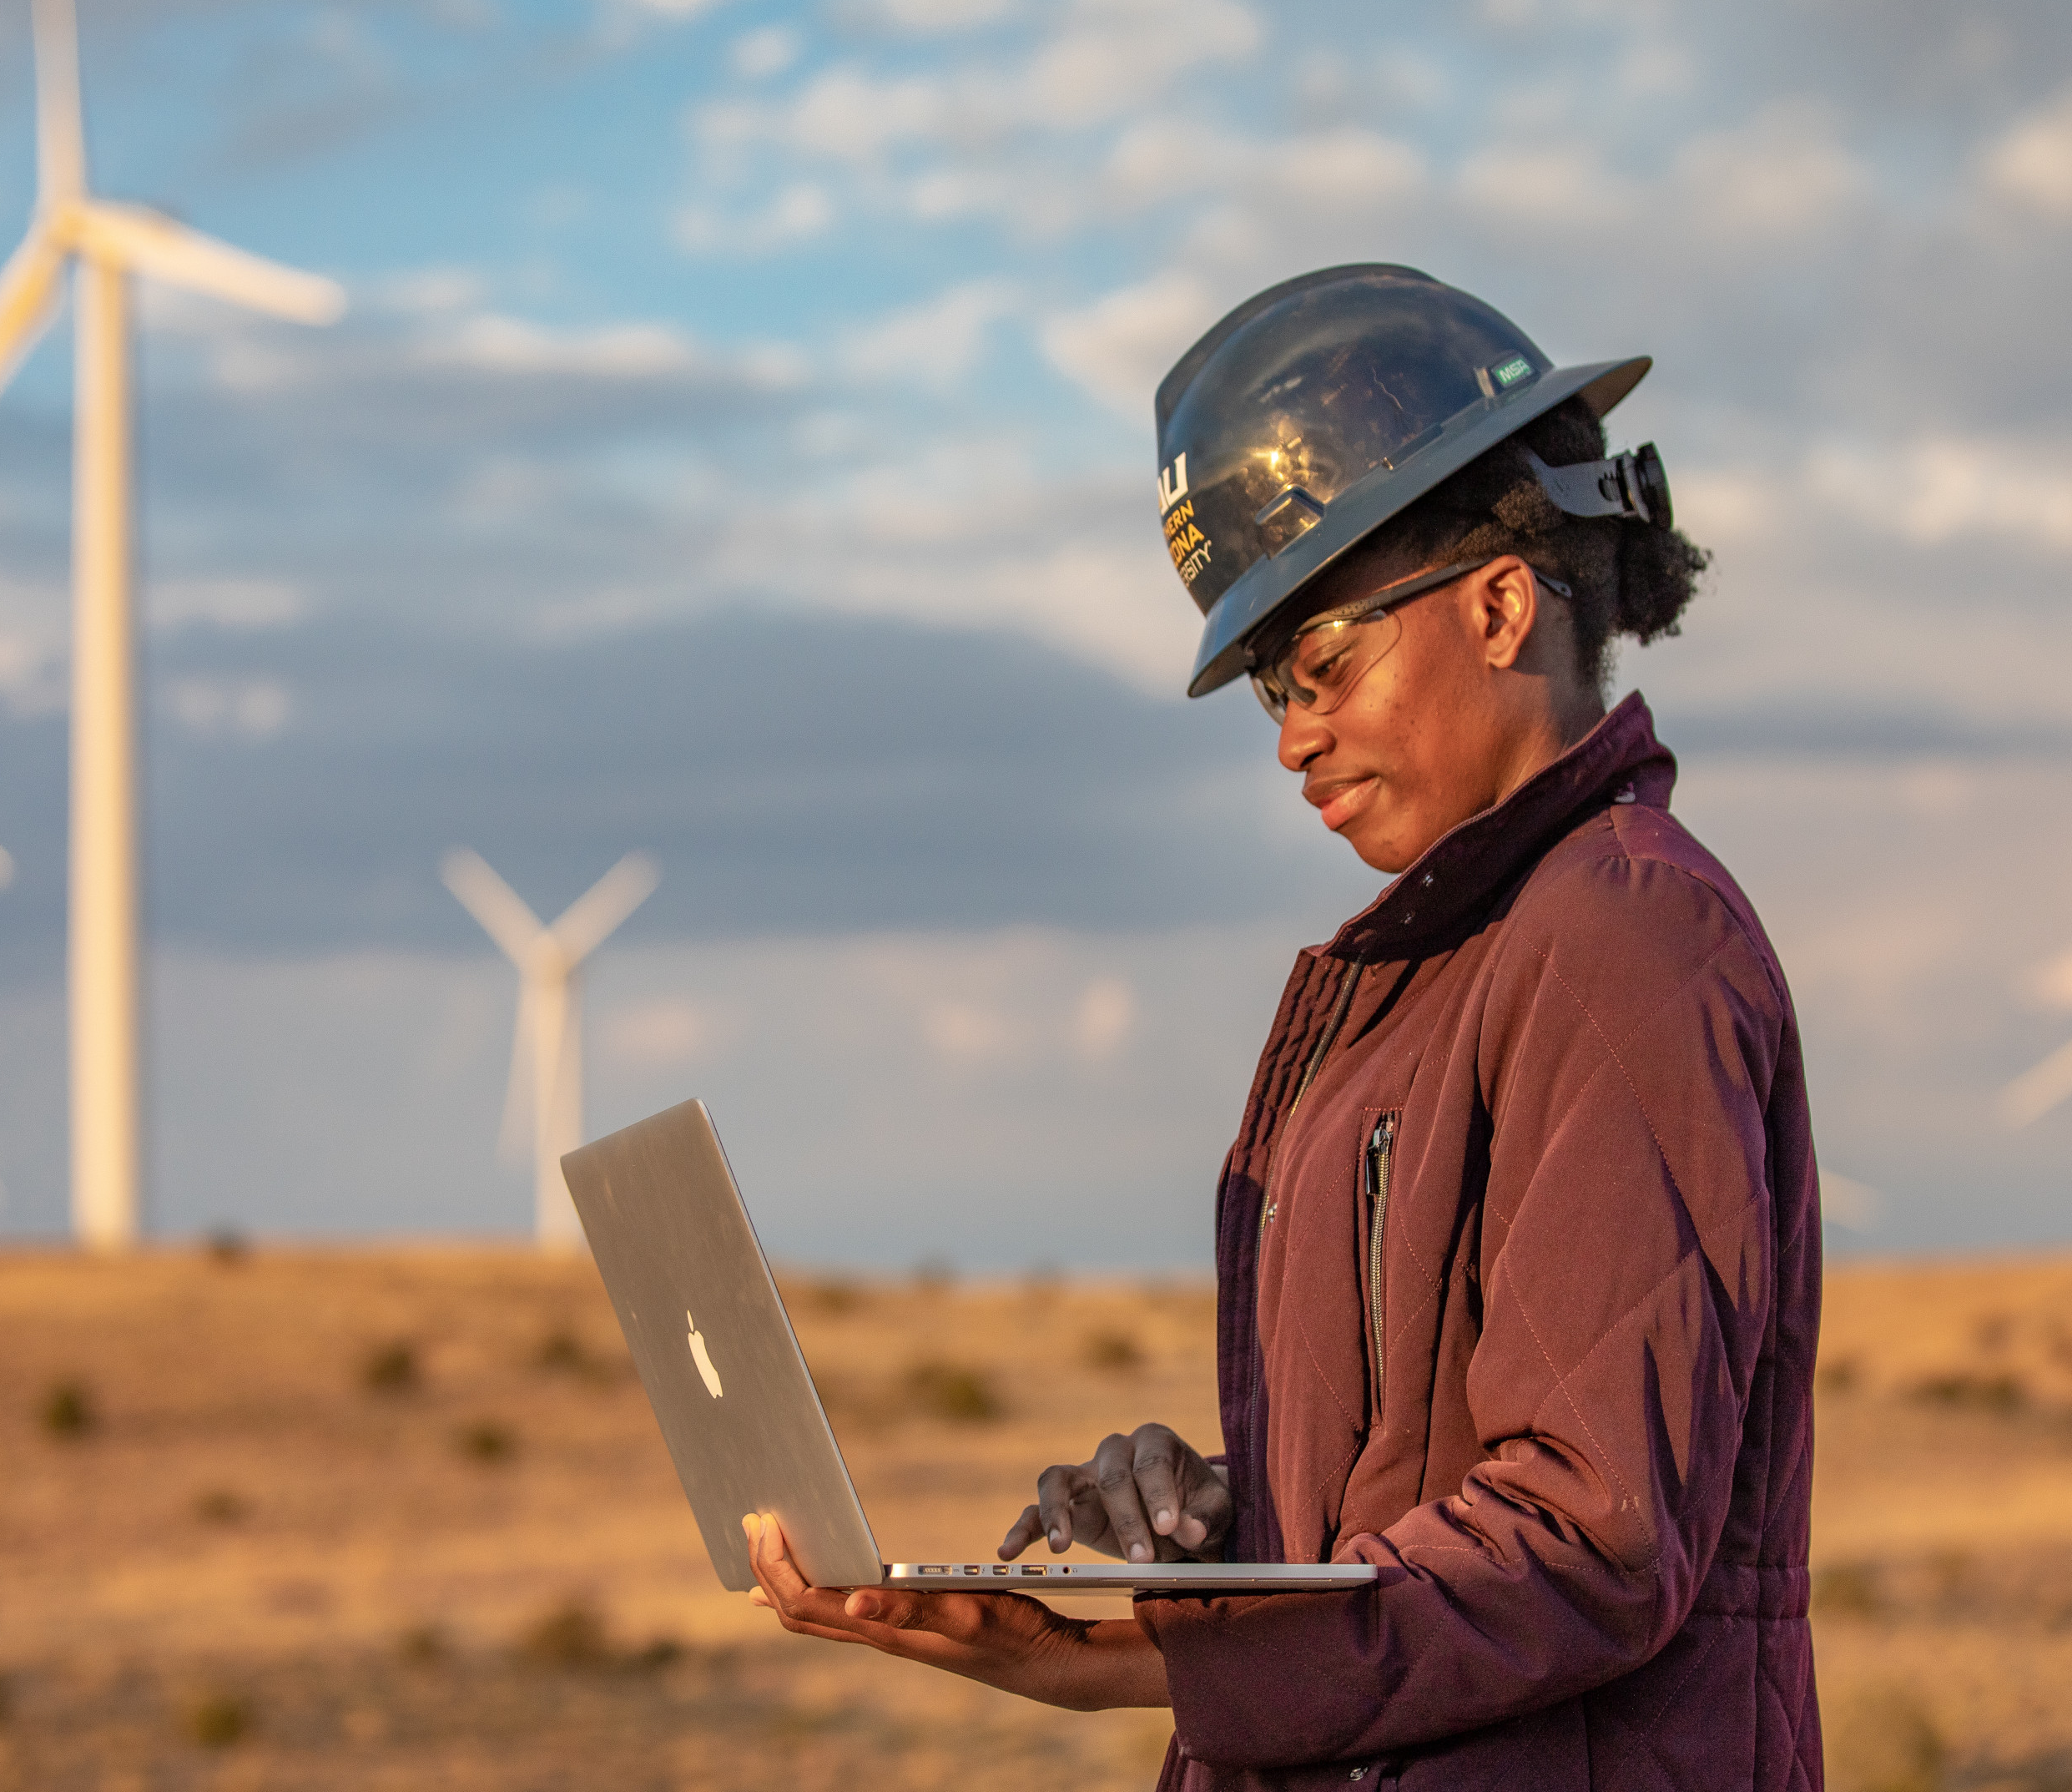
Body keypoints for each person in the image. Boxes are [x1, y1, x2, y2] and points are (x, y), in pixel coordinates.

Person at [744, 264, 1824, 1791]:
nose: (1293, 737)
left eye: (1320, 662)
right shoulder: (1431, 970)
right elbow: (1439, 1485)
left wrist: (1147, 1661)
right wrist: (1219, 1530)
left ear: (1503, 603)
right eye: (1267, 688)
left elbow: (1590, 1541)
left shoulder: (1624, 937)